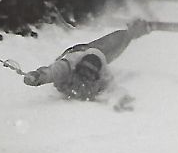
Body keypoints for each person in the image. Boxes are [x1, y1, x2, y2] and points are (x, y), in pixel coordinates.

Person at [23, 19, 152, 101]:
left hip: (91, 52)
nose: (85, 79)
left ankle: (132, 31)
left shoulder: (103, 76)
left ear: (96, 76)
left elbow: (113, 88)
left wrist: (122, 98)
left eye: (89, 76)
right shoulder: (66, 68)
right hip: (76, 52)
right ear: (77, 70)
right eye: (84, 75)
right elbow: (51, 72)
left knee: (108, 51)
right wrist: (38, 77)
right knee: (105, 49)